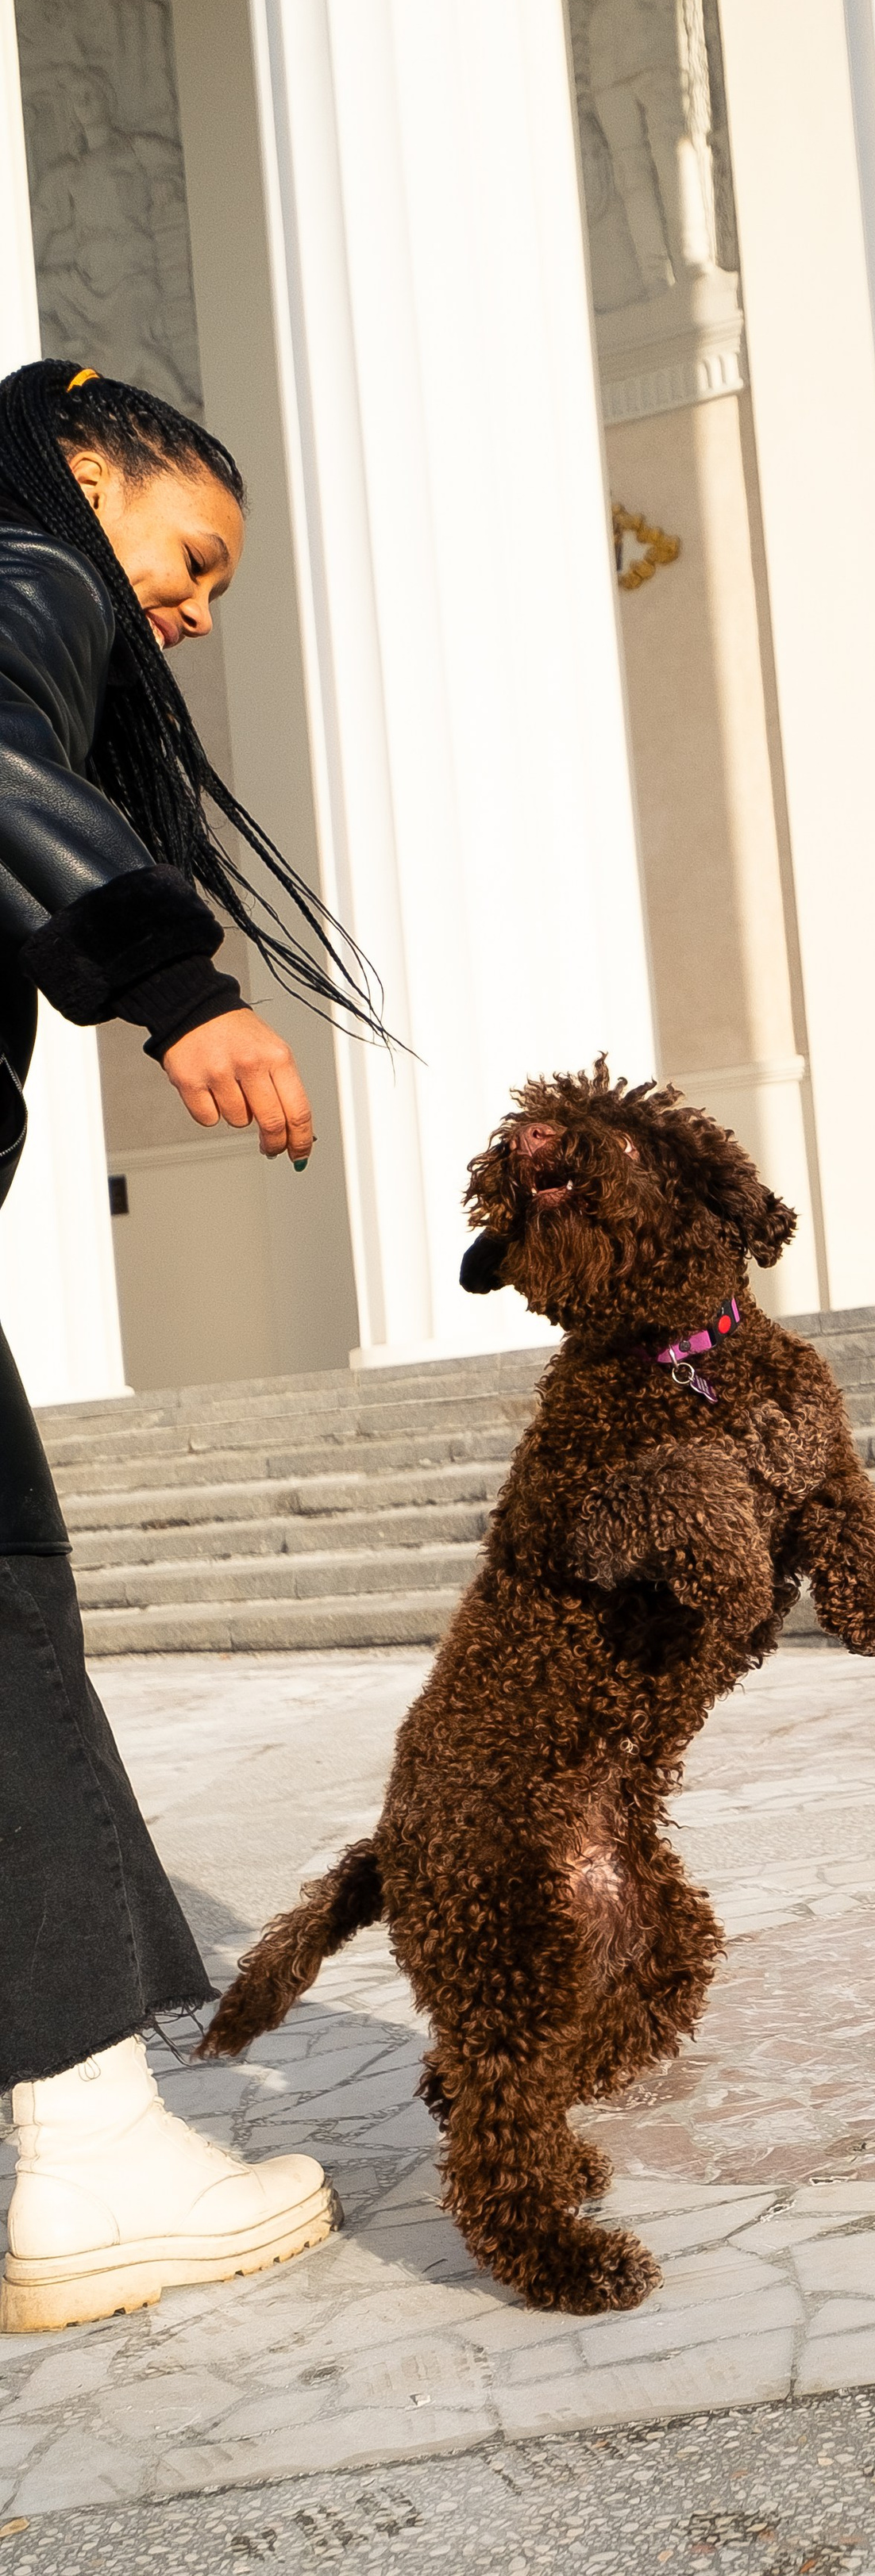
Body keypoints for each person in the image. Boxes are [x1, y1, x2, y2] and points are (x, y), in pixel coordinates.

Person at [0, 355, 386, 2336]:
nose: (196, 608)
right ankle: (85, 2161)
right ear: (91, 463)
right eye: (195, 552)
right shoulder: (19, 556)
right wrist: (173, 983)